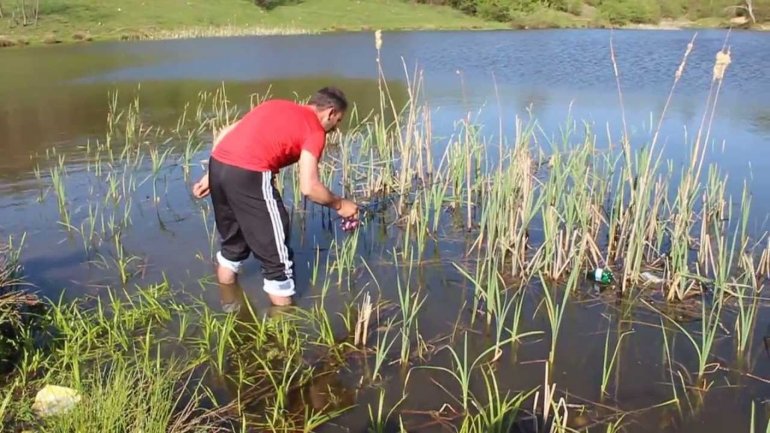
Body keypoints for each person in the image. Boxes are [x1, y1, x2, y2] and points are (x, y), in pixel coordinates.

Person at [191, 87, 359, 307]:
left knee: (232, 245)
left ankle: (230, 308)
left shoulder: (275, 104)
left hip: (219, 164)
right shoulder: (315, 131)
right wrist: (341, 204)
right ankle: (285, 330)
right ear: (329, 112)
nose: (336, 128)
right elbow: (309, 187)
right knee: (277, 262)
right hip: (249, 174)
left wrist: (212, 175)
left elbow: (229, 131)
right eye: (337, 121)